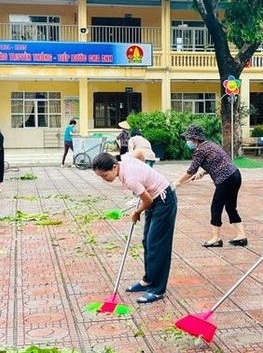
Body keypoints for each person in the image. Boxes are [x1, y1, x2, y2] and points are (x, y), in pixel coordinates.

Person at [92, 152, 177, 304]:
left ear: (114, 167)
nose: (104, 179)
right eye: (100, 177)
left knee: (157, 245)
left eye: (105, 175)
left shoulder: (130, 179)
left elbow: (148, 201)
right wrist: (144, 176)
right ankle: (148, 280)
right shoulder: (122, 159)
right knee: (147, 242)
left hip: (163, 200)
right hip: (153, 198)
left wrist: (136, 212)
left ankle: (157, 290)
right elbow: (139, 153)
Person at [174, 124, 247, 247]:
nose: (187, 141)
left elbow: (190, 171)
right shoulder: (210, 145)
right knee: (230, 206)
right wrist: (203, 172)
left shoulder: (200, 150)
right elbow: (219, 161)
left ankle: (216, 238)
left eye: (188, 138)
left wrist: (177, 182)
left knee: (216, 207)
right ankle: (241, 236)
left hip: (225, 179)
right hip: (235, 175)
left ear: (195, 139)